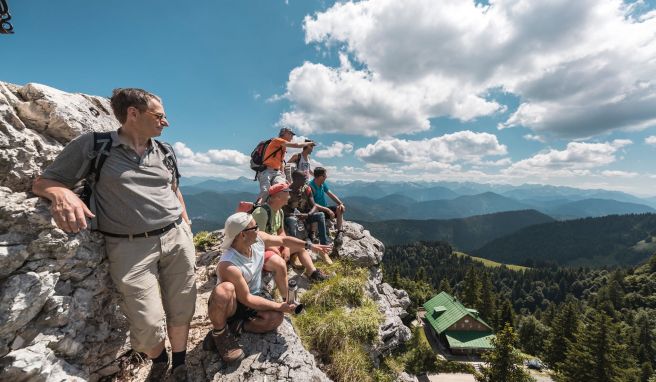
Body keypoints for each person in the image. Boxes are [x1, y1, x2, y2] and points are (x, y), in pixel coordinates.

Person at [32, 88, 195, 382]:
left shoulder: (164, 151)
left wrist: (186, 222)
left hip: (176, 237)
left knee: (183, 303)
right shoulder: (95, 146)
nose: (166, 122)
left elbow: (173, 188)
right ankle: (159, 358)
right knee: (146, 320)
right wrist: (60, 193)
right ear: (133, 113)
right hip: (129, 247)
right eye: (160, 115)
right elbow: (45, 181)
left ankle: (180, 363)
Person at [207, 212, 331, 363]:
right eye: (254, 227)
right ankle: (220, 334)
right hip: (235, 303)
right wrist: (279, 305)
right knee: (224, 290)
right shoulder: (229, 264)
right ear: (242, 235)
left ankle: (235, 327)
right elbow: (247, 298)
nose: (258, 230)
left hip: (254, 294)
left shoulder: (258, 240)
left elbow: (283, 240)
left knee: (275, 319)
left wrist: (310, 246)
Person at [252, 183, 331, 281]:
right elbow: (256, 239)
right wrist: (274, 249)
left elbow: (281, 232)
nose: (289, 196)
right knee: (279, 262)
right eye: (287, 193)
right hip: (261, 250)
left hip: (274, 245)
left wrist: (286, 247)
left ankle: (313, 273)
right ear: (278, 196)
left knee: (301, 247)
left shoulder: (279, 211)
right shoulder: (261, 213)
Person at [283, 171, 332, 261]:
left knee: (320, 215)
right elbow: (282, 210)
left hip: (305, 216)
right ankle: (296, 253)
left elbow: (314, 205)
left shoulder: (306, 189)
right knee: (292, 221)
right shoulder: (287, 191)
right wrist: (295, 215)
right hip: (291, 217)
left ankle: (323, 249)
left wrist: (308, 214)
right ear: (296, 180)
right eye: (304, 179)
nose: (306, 180)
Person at [256, 127, 314, 202]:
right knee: (265, 191)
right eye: (290, 134)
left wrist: (283, 176)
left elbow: (281, 162)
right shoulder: (277, 140)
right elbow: (297, 145)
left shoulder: (282, 147)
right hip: (266, 170)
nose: (292, 136)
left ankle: (274, 209)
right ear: (284, 133)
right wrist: (309, 143)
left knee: (283, 189)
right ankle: (257, 208)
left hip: (276, 172)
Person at [309, 167, 346, 246]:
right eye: (324, 175)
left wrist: (340, 203)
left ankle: (339, 232)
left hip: (325, 209)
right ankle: (313, 234)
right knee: (315, 211)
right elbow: (313, 204)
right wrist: (328, 210)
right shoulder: (310, 186)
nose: (326, 177)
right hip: (317, 210)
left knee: (339, 208)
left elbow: (330, 194)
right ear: (320, 176)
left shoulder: (322, 184)